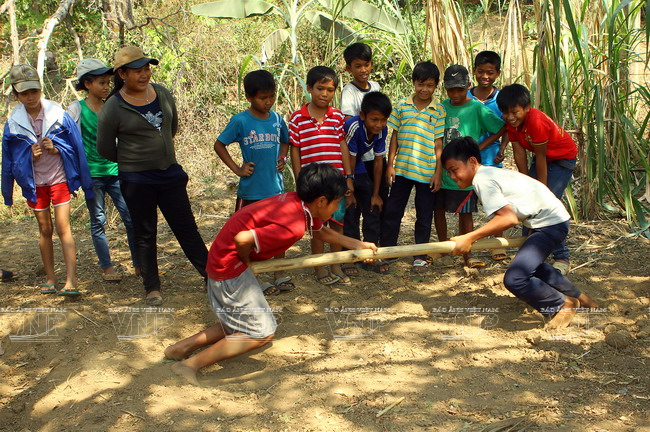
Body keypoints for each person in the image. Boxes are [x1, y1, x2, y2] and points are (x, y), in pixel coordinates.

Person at [164, 163, 378, 385]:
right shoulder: (292, 225)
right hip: (229, 269)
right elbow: (243, 239)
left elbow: (320, 231)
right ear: (322, 201)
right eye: (337, 202)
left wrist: (357, 245)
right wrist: (247, 261)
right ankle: (189, 365)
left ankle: (180, 349)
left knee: (239, 321)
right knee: (260, 332)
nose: (338, 207)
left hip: (225, 261)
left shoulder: (297, 202)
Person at [441, 137, 597, 328]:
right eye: (449, 172)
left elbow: (508, 218)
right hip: (552, 220)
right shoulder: (489, 173)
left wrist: (469, 237)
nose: (452, 176)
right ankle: (582, 298)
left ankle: (562, 304)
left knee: (515, 279)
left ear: (472, 162)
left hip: (548, 224)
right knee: (535, 267)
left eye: (454, 169)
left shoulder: (483, 180)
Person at [97, 46, 208, 306]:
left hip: (169, 174)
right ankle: (152, 287)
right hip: (136, 180)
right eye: (138, 70)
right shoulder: (113, 106)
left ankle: (210, 274)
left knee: (186, 227)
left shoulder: (162, 93)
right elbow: (104, 147)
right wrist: (133, 163)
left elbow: (173, 127)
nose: (145, 74)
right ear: (122, 74)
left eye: (147, 68)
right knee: (145, 232)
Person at [2, 64, 94, 295]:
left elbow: (76, 148)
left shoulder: (58, 115)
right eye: (24, 93)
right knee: (45, 229)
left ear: (40, 90)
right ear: (16, 94)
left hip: (59, 179)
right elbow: (10, 161)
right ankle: (51, 278)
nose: (30, 97)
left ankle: (71, 280)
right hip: (35, 185)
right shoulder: (13, 124)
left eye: (34, 91)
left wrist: (56, 150)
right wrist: (26, 158)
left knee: (64, 228)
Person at [213, 69, 292, 295]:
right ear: (249, 97)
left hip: (275, 189)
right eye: (262, 97)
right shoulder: (240, 121)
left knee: (279, 232)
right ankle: (254, 277)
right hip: (251, 192)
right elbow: (219, 145)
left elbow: (286, 141)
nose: (268, 102)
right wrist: (237, 169)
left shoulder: (277, 119)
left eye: (272, 96)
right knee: (248, 235)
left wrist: (282, 158)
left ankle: (279, 273)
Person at [67, 58, 139, 282]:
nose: (107, 86)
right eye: (101, 82)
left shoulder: (114, 105)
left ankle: (139, 264)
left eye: (108, 82)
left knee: (131, 217)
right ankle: (106, 267)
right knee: (98, 220)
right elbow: (68, 143)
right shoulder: (75, 110)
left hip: (117, 170)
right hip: (93, 174)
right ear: (87, 84)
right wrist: (73, 176)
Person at [496, 84, 577, 275]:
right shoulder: (512, 122)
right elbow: (519, 152)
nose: (510, 117)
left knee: (547, 205)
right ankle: (529, 254)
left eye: (515, 112)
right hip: (543, 159)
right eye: (505, 113)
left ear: (526, 108)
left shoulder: (536, 122)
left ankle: (562, 257)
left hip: (561, 159)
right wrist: (525, 185)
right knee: (528, 203)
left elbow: (541, 157)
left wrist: (540, 191)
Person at [289, 66, 355, 285]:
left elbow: (342, 146)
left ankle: (335, 264)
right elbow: (295, 150)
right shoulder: (297, 118)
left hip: (335, 181)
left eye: (330, 89)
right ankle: (319, 268)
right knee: (318, 228)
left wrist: (348, 177)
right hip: (314, 183)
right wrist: (299, 178)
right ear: (309, 88)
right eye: (320, 88)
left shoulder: (337, 117)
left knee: (337, 223)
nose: (325, 94)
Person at [435, 64, 505, 268]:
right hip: (442, 170)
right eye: (451, 89)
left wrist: (478, 147)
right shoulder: (441, 107)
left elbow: (500, 128)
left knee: (465, 213)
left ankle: (468, 253)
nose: (455, 94)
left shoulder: (476, 107)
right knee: (438, 209)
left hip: (464, 174)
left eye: (460, 89)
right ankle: (442, 248)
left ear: (468, 86)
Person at [380, 61, 444, 272]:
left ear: (436, 86)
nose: (424, 89)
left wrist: (438, 172)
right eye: (421, 84)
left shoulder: (439, 110)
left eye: (430, 85)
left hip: (426, 172)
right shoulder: (401, 106)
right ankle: (389, 251)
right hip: (403, 169)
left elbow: (438, 143)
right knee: (393, 211)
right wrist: (391, 165)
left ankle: (420, 254)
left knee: (424, 215)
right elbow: (395, 137)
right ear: (414, 83)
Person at [340, 43, 388, 275]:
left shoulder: (381, 128)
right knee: (351, 208)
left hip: (369, 163)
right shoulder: (349, 100)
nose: (363, 69)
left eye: (366, 64)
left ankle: (371, 253)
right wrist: (348, 182)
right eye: (357, 65)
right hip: (352, 163)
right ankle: (351, 255)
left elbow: (379, 160)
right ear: (349, 68)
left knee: (372, 204)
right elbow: (350, 149)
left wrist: (376, 192)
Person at [469, 51, 510, 261]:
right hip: (468, 159)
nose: (485, 76)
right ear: (474, 71)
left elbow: (507, 126)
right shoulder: (465, 96)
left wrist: (502, 149)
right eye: (481, 71)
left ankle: (497, 244)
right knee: (468, 204)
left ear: (497, 73)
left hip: (491, 156)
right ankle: (470, 246)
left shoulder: (501, 98)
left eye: (490, 72)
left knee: (495, 202)